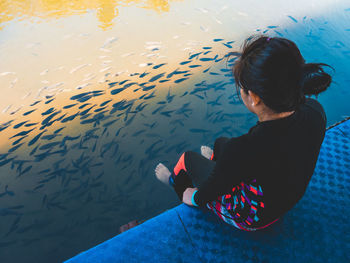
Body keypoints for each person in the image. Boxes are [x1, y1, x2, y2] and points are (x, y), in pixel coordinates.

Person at [155, 35, 332, 231]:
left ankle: (173, 182)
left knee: (187, 159)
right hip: (286, 198)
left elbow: (206, 195)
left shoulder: (244, 148)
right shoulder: (316, 111)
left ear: (254, 98)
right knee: (222, 143)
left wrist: (189, 194)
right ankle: (217, 168)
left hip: (253, 216)